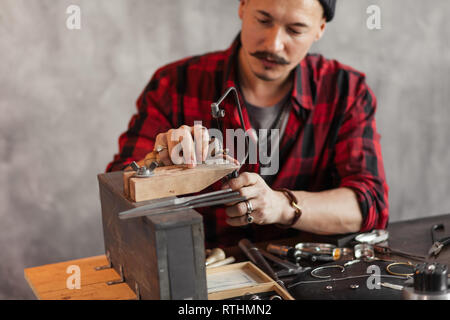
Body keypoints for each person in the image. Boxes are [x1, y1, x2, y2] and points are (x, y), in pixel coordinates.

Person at [106, 0, 389, 248]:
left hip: (306, 276)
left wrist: (283, 206)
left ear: (320, 29)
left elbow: (369, 204)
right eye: (263, 20)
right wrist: (160, 164)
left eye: (295, 30)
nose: (273, 44)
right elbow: (118, 189)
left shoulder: (346, 91)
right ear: (242, 6)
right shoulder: (175, 83)